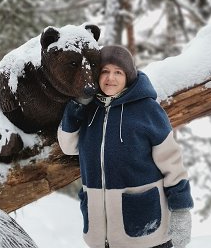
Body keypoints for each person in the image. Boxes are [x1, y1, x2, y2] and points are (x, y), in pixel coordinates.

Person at [57, 45, 193, 248]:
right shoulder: (89, 109)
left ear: (128, 76)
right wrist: (77, 105)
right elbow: (68, 146)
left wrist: (181, 209)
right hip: (99, 233)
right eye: (105, 71)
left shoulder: (147, 109)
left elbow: (172, 162)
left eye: (118, 72)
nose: (110, 78)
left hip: (145, 231)